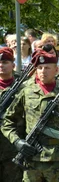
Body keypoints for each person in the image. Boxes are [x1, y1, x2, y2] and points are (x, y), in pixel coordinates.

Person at [1, 51, 59, 182]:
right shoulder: (26, 91)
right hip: (31, 159)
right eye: (40, 68)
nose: (43, 71)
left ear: (56, 69)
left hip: (57, 160)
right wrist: (17, 141)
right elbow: (7, 121)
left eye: (47, 68)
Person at [0, 48, 23, 182]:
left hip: (13, 147)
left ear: (13, 65)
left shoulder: (24, 88)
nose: (1, 65)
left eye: (5, 62)